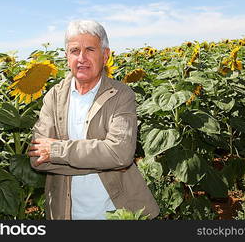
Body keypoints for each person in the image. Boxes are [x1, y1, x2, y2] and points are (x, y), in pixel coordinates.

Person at [28, 20, 159, 220]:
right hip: (65, 213)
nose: (82, 58)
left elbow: (120, 154)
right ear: (66, 57)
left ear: (105, 55)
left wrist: (57, 150)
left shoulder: (120, 95)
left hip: (116, 213)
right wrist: (104, 157)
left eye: (90, 49)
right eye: (74, 51)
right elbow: (37, 158)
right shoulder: (54, 97)